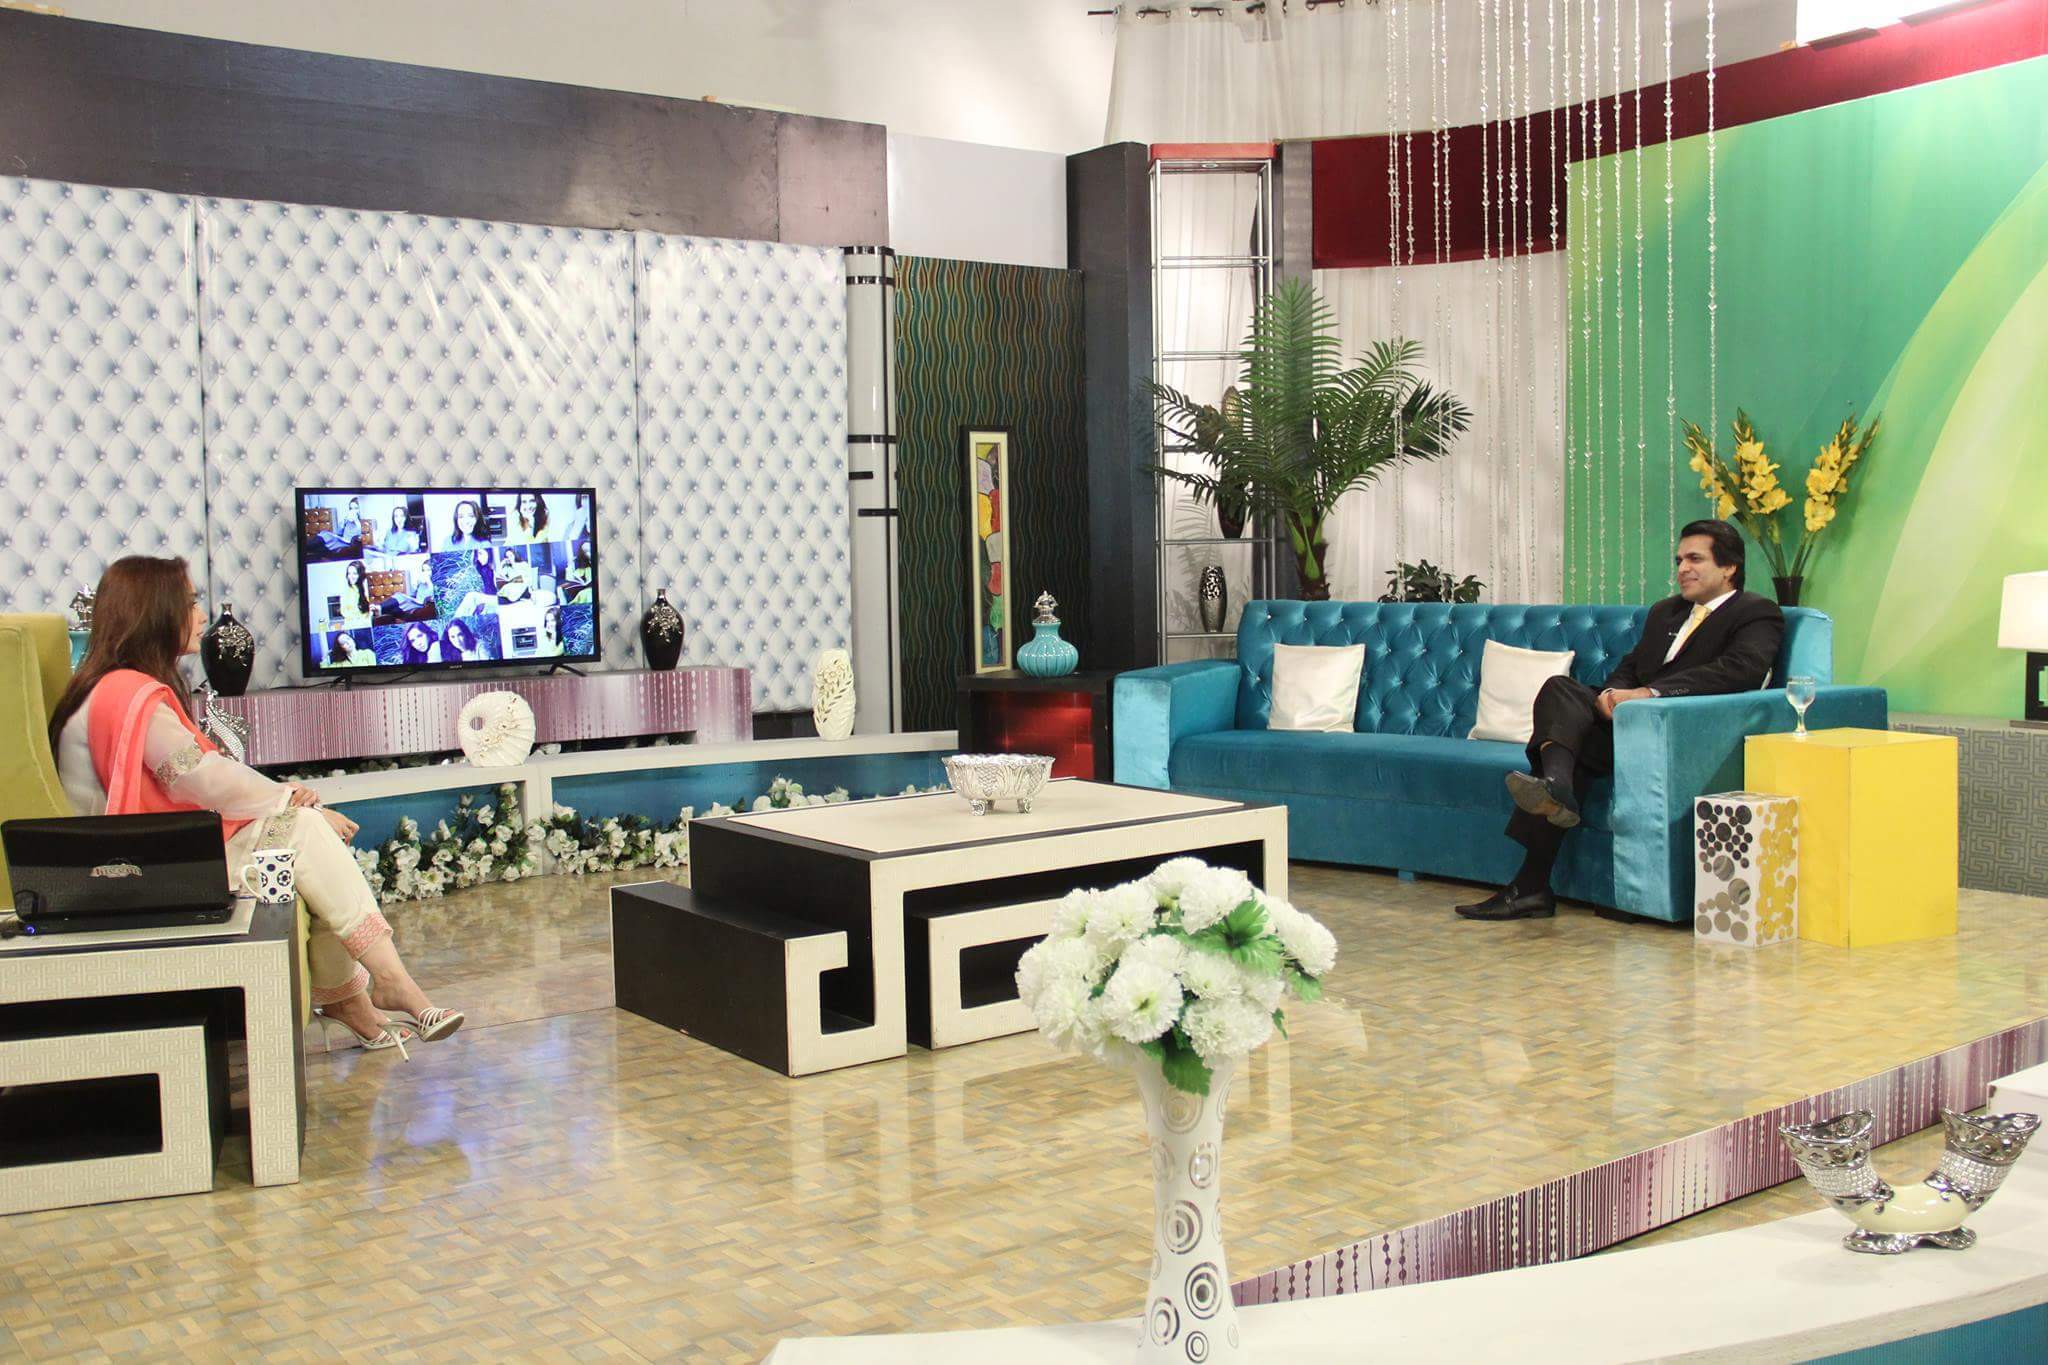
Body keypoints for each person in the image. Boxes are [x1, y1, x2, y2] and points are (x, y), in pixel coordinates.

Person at [50, 557, 463, 1050]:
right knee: (305, 832)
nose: (201, 616)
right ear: (155, 611)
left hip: (145, 853)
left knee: (306, 835)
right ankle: (384, 988)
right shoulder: (124, 690)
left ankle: (362, 996)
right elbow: (199, 780)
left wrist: (290, 805)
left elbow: (198, 780)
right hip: (132, 870)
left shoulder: (118, 684)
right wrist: (288, 799)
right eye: (190, 602)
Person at [1456, 520, 1787, 922]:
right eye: (1679, 560)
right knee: (1560, 689)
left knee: (1570, 750)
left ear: (1729, 567)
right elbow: (1632, 665)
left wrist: (1651, 694)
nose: (1683, 569)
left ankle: (1532, 878)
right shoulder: (1666, 612)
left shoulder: (1756, 612)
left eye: (1695, 559)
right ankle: (1555, 793)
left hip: (1675, 734)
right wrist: (1612, 694)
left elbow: (1740, 671)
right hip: (1626, 725)